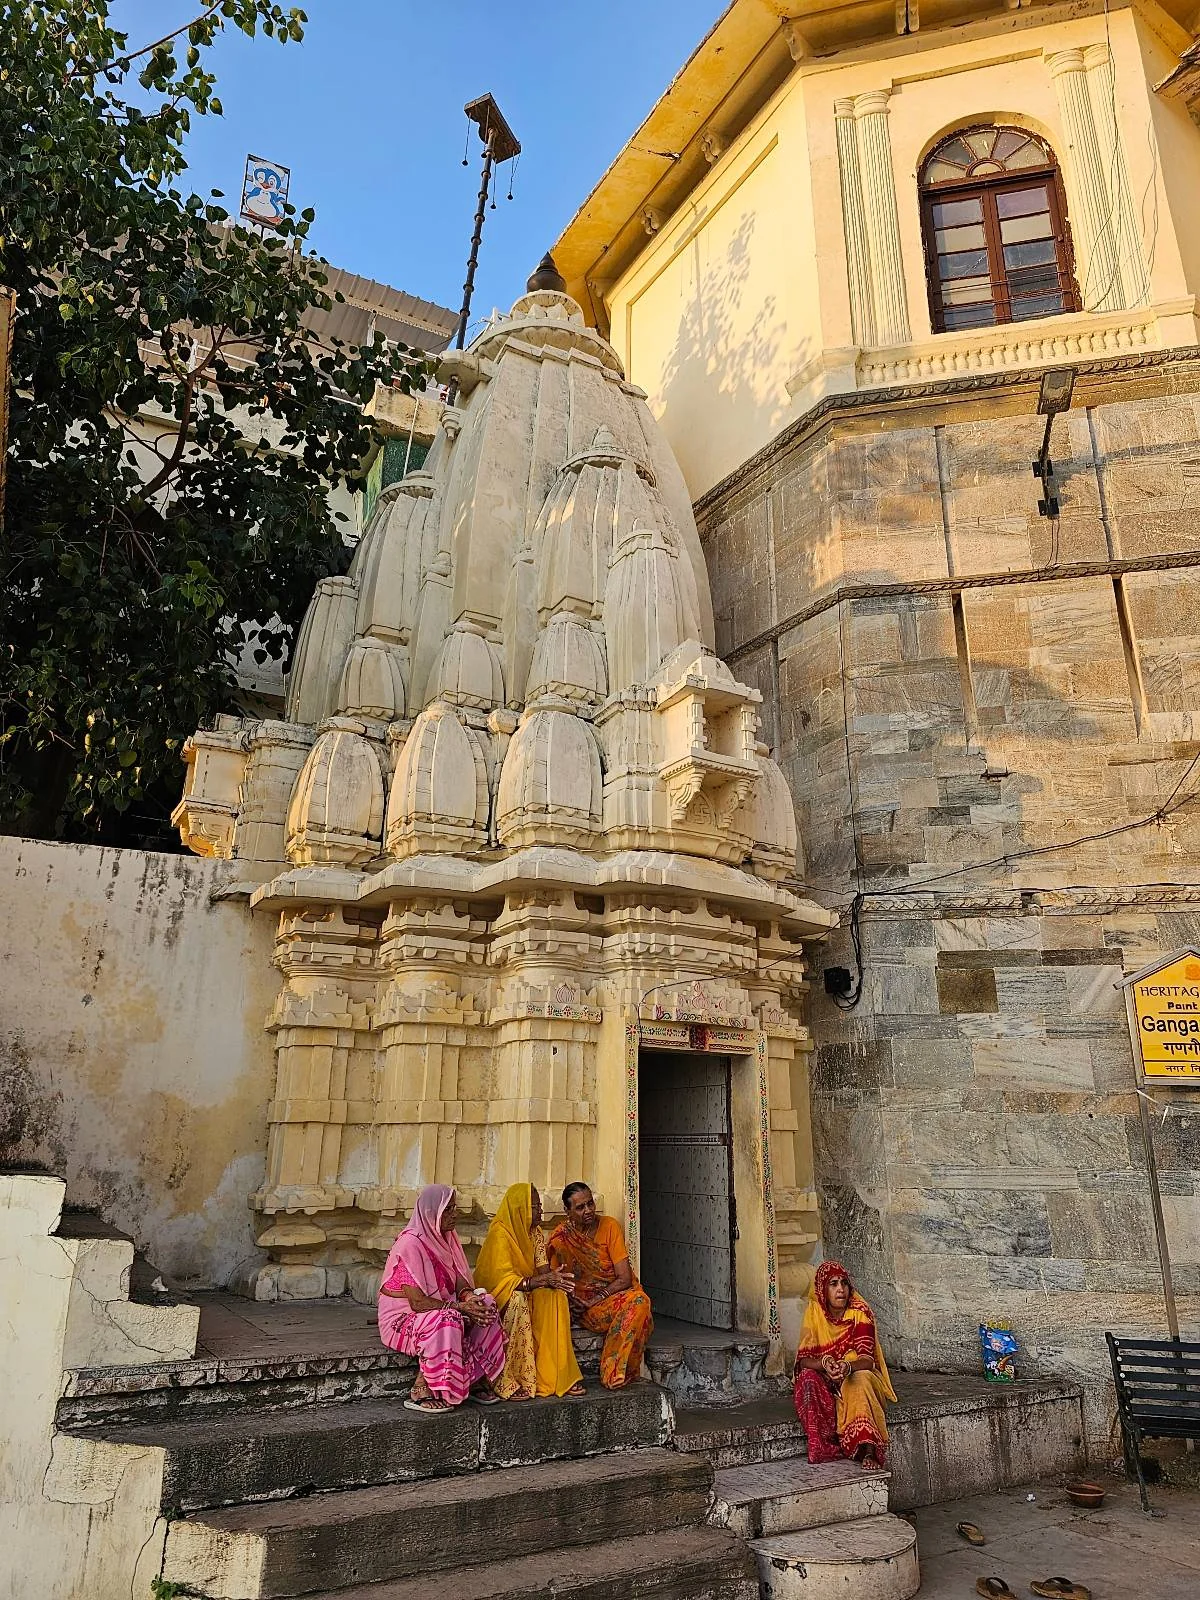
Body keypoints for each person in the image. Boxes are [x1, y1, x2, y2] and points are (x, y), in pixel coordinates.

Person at [378, 1183, 506, 1413]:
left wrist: (470, 1298)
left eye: (454, 1208)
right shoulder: (409, 1244)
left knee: (486, 1303)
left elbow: (459, 1280)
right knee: (448, 1319)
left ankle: (473, 1377)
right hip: (403, 1317)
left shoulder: (446, 1237)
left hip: (438, 1309)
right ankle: (422, 1388)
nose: (454, 1214)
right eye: (448, 1209)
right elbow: (418, 1303)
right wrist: (460, 1307)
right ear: (431, 1212)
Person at [475, 1182, 585, 1400]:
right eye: (536, 1207)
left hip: (526, 1287)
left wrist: (556, 1279)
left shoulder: (534, 1232)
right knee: (518, 1299)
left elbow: (543, 1270)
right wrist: (542, 1280)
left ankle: (558, 1375)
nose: (541, 1211)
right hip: (500, 1297)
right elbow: (505, 1282)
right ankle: (510, 1378)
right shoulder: (500, 1234)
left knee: (556, 1297)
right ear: (521, 1208)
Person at [547, 1182, 653, 1390]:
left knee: (641, 1302)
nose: (588, 1210)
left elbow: (624, 1278)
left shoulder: (609, 1226)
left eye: (590, 1203)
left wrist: (595, 1299)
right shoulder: (560, 1238)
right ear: (567, 1211)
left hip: (608, 1300)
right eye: (580, 1207)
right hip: (581, 1308)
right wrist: (572, 1302)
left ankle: (615, 1372)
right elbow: (553, 1278)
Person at [793, 1260, 896, 1470]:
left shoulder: (860, 1312)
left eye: (844, 1283)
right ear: (823, 1289)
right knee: (807, 1378)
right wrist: (825, 1363)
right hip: (828, 1378)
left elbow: (867, 1360)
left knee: (859, 1380)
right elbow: (803, 1360)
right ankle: (824, 1445)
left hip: (855, 1374)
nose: (840, 1289)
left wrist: (847, 1367)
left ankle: (867, 1449)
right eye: (833, 1284)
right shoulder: (814, 1312)